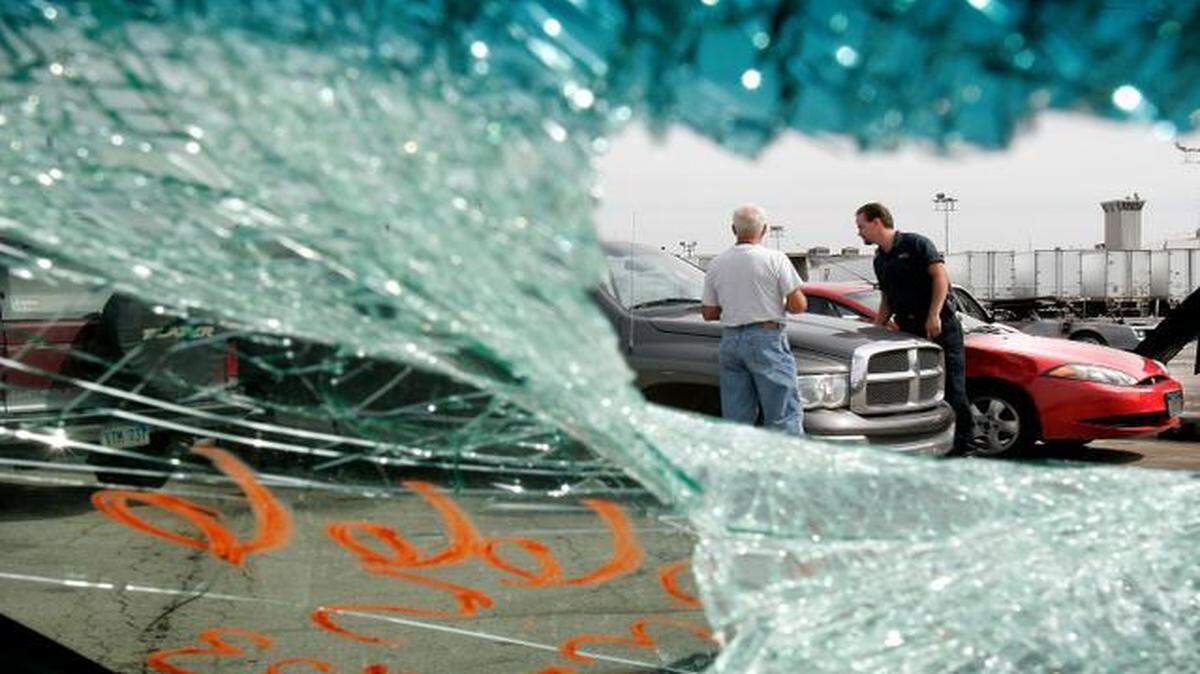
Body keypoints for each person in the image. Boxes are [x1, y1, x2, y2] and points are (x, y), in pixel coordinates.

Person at [855, 202, 973, 453]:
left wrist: (934, 315)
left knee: (953, 390)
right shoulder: (880, 259)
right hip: (909, 331)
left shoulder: (916, 244)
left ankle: (964, 447)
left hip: (939, 328)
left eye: (861, 226)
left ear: (877, 222)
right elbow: (887, 298)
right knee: (919, 392)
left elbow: (940, 277)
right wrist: (877, 328)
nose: (859, 232)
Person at [701, 205, 808, 435]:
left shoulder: (717, 263)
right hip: (767, 338)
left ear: (733, 229)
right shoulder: (775, 259)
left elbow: (708, 313)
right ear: (765, 229)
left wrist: (734, 307)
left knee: (736, 417)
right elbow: (799, 305)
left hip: (730, 340)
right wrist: (774, 305)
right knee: (782, 415)